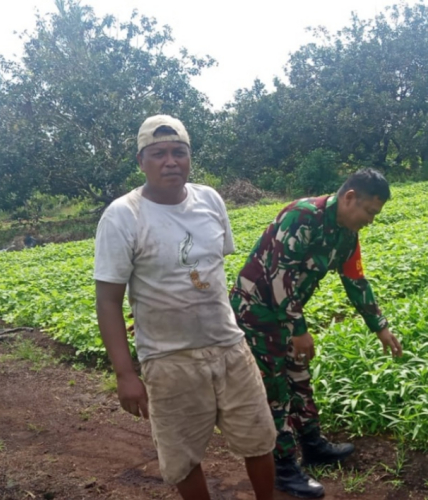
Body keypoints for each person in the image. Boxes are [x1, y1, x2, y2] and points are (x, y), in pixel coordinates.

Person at [93, 115, 276, 500]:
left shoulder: (210, 199)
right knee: (182, 456)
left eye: (179, 152)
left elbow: (212, 272)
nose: (170, 161)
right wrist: (125, 373)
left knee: (259, 439)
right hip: (168, 357)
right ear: (141, 161)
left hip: (229, 347)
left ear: (190, 158)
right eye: (158, 154)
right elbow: (108, 301)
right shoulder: (123, 215)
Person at [230, 168, 403, 498]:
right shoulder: (301, 216)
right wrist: (298, 329)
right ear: (349, 197)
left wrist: (379, 326)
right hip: (257, 312)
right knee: (276, 390)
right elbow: (279, 274)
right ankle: (282, 468)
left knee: (300, 377)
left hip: (288, 312)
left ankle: (312, 445)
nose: (371, 220)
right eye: (369, 211)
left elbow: (355, 280)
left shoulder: (347, 234)